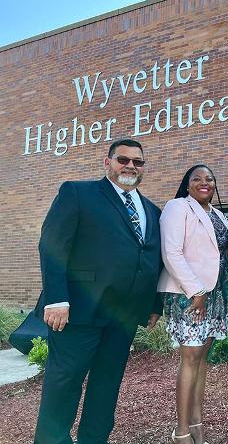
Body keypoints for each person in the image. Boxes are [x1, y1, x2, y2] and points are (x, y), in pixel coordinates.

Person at [33, 139, 163, 444]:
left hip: (123, 317)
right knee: (64, 384)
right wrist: (56, 298)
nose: (130, 166)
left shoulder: (152, 210)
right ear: (108, 162)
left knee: (106, 386)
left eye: (138, 162)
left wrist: (153, 304)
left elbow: (152, 259)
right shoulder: (78, 193)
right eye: (123, 159)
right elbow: (52, 245)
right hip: (78, 311)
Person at [157, 164, 228, 444]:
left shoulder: (219, 216)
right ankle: (181, 431)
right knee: (190, 358)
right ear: (188, 185)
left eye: (209, 179)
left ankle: (196, 423)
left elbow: (227, 255)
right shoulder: (178, 207)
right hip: (190, 296)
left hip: (217, 296)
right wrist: (196, 291)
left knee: (202, 359)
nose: (204, 183)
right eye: (197, 179)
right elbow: (171, 252)